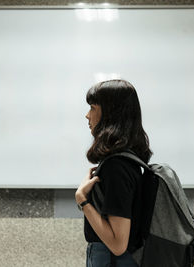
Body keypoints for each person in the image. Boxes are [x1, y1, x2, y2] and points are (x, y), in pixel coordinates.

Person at [75, 79, 153, 267]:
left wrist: (82, 200)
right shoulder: (125, 161)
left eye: (93, 108)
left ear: (110, 113)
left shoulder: (116, 166)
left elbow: (118, 244)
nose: (87, 115)